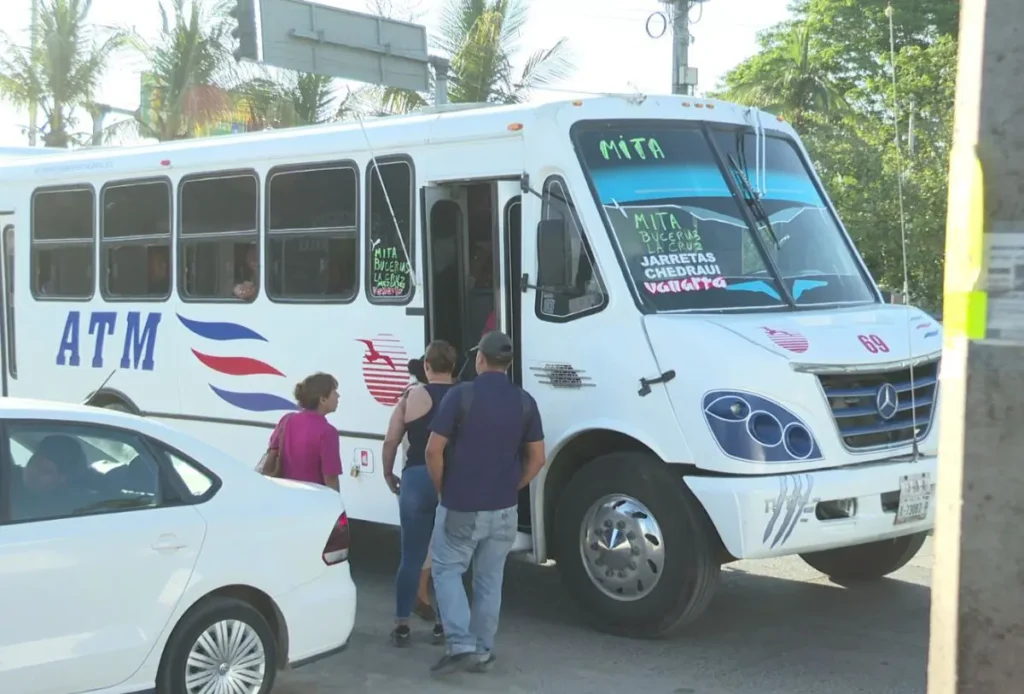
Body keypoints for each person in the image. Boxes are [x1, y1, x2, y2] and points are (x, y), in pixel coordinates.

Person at [424, 330, 546, 675]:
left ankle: (460, 644)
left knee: (448, 571)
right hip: (504, 508)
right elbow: (538, 458)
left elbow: (433, 449)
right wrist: (513, 485)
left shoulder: (462, 395)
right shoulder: (524, 401)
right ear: (507, 364)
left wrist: (442, 487)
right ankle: (482, 651)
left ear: (480, 359)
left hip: (462, 503)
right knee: (490, 580)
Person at [382, 341, 458, 646]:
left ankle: (402, 625)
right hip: (452, 481)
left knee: (411, 556)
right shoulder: (463, 396)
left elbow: (391, 441)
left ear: (426, 365)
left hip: (415, 478)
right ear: (452, 366)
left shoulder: (411, 396)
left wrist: (388, 473)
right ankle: (443, 624)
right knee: (448, 558)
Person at [270, 372, 342, 491]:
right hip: (312, 501)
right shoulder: (328, 432)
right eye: (334, 392)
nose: (338, 396)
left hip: (285, 495)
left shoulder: (287, 420)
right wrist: (337, 504)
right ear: (322, 399)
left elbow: (272, 452)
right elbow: (330, 477)